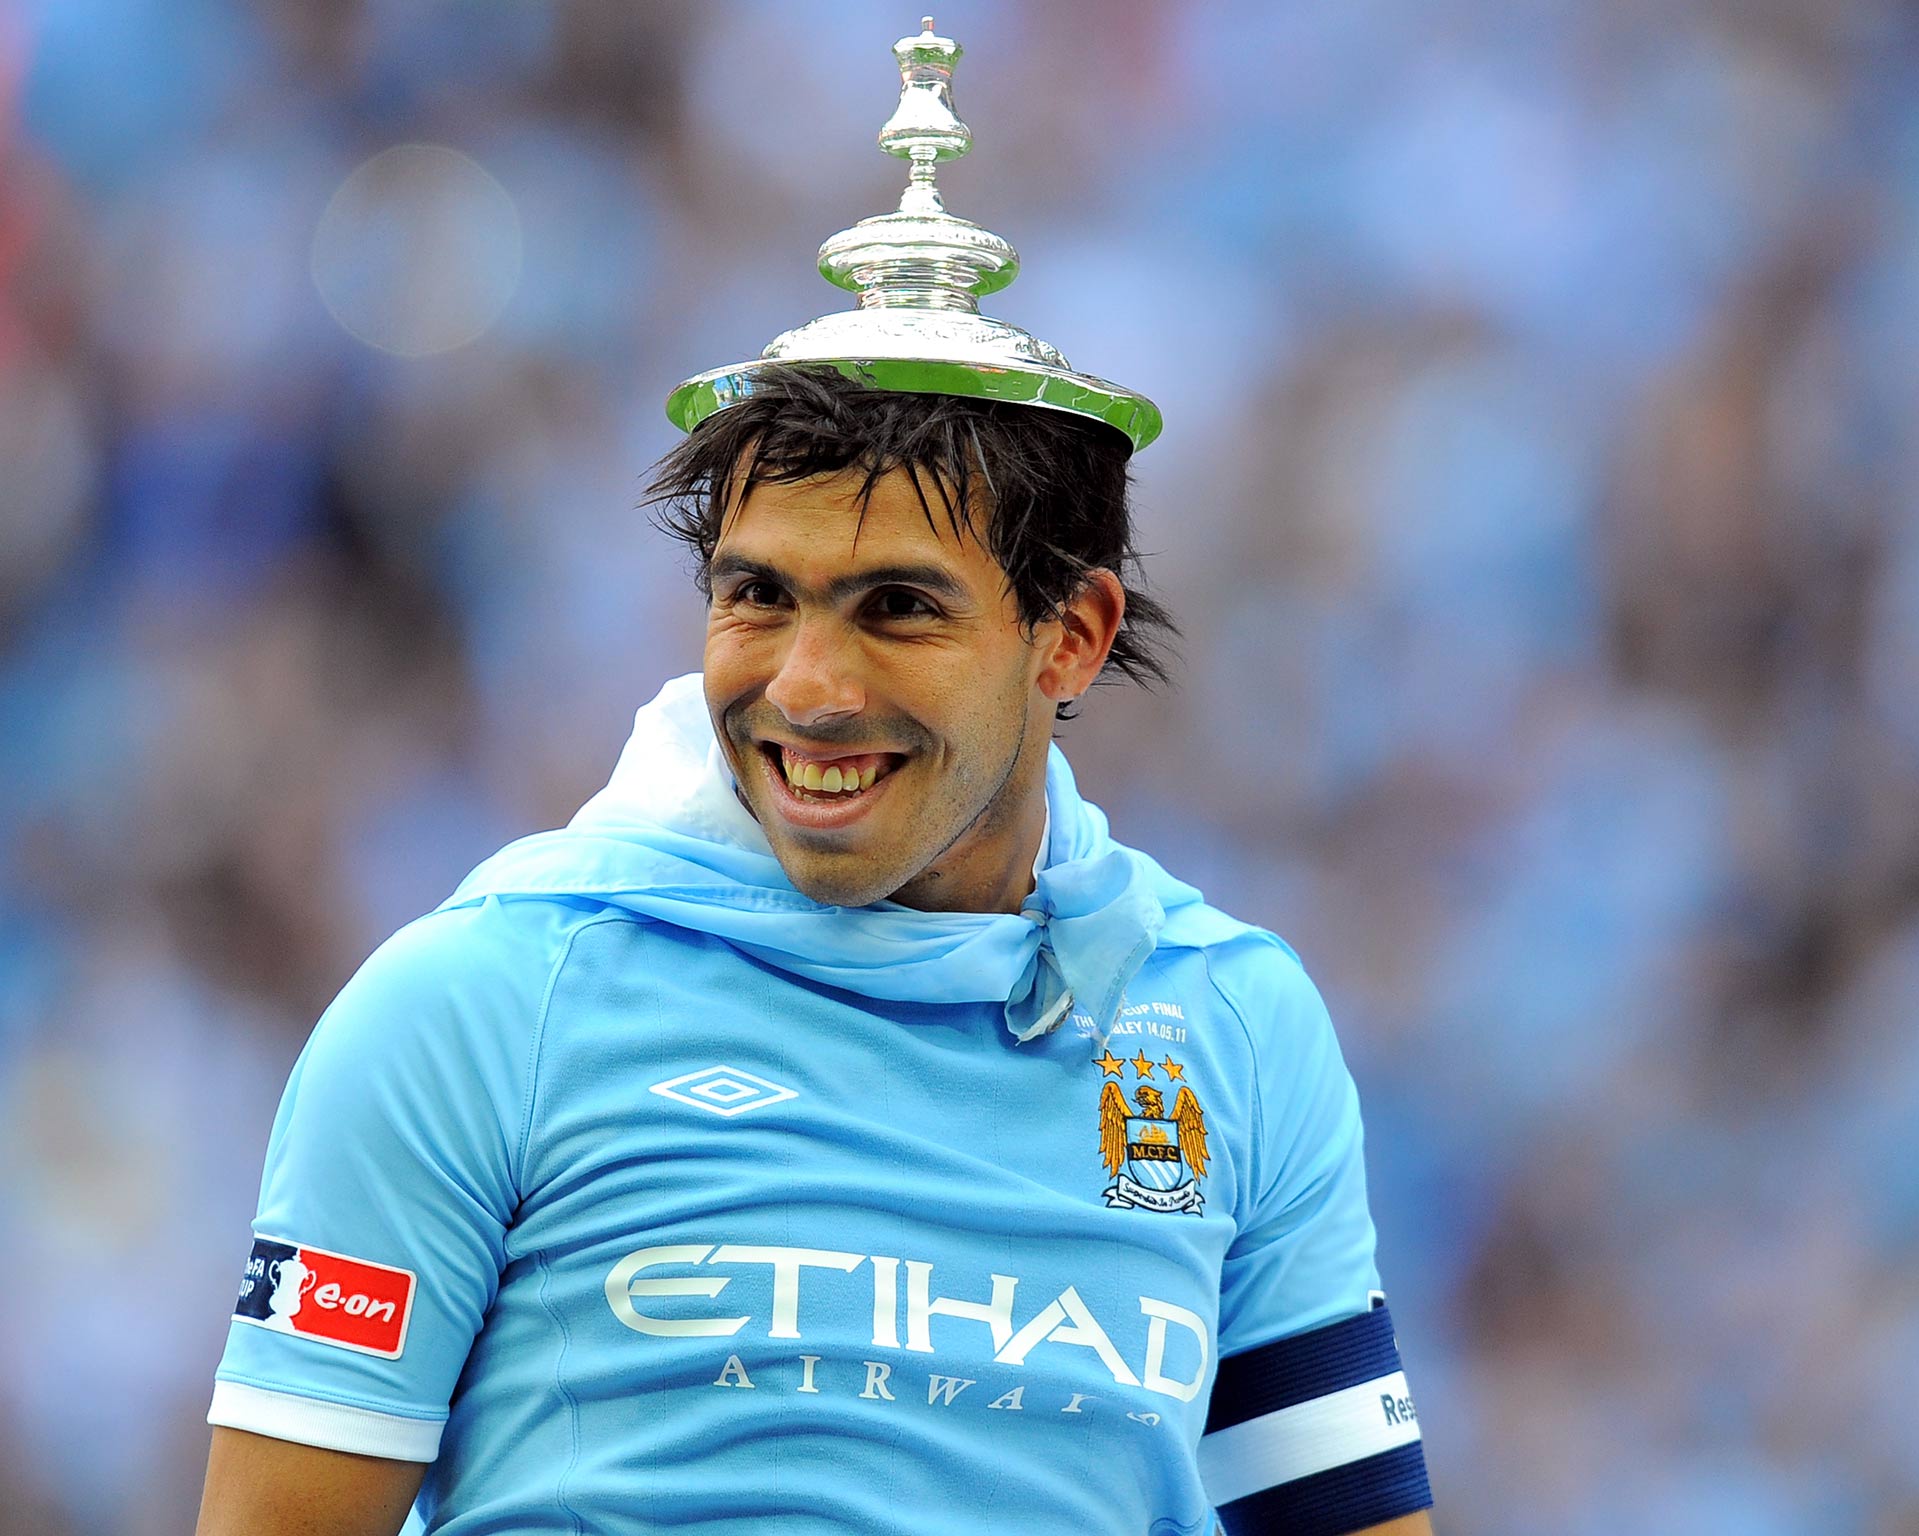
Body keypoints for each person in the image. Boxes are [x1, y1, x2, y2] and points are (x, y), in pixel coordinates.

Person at [197, 23, 1435, 1536]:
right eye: (757, 595)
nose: (806, 689)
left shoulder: (1232, 1029)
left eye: (898, 607)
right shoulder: (477, 1006)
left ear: (1073, 635)